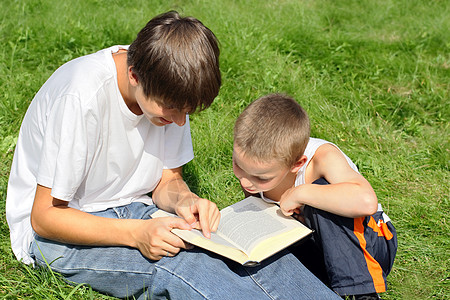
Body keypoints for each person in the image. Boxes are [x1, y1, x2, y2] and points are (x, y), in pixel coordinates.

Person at [6, 11, 341, 299]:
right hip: (58, 234)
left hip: (136, 209)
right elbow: (45, 218)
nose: (180, 121)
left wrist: (185, 201)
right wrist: (136, 235)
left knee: (253, 256)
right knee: (181, 264)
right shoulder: (80, 97)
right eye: (172, 111)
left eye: (188, 112)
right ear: (134, 76)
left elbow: (168, 179)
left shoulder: (168, 90)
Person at [233, 93, 398, 300]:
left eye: (261, 178)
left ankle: (364, 294)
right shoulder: (258, 169)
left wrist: (302, 192)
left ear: (297, 164)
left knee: (321, 196)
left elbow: (366, 201)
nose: (246, 182)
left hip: (370, 245)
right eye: (238, 166)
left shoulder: (322, 158)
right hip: (317, 249)